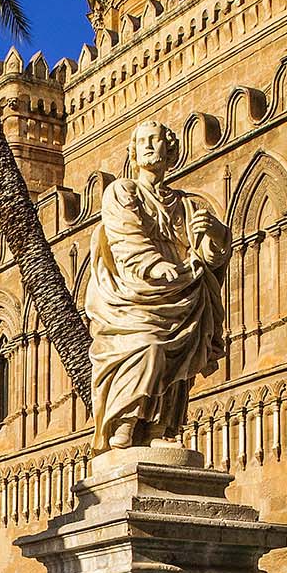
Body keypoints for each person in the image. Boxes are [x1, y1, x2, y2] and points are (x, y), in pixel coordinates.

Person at [84, 119, 230, 451]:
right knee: (148, 345)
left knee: (179, 353)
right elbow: (125, 235)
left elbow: (210, 256)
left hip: (183, 291)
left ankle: (161, 428)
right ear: (133, 152)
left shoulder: (186, 203)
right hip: (136, 292)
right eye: (144, 140)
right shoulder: (122, 191)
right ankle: (126, 419)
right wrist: (153, 264)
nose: (151, 145)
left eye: (158, 140)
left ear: (170, 150)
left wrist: (216, 233)